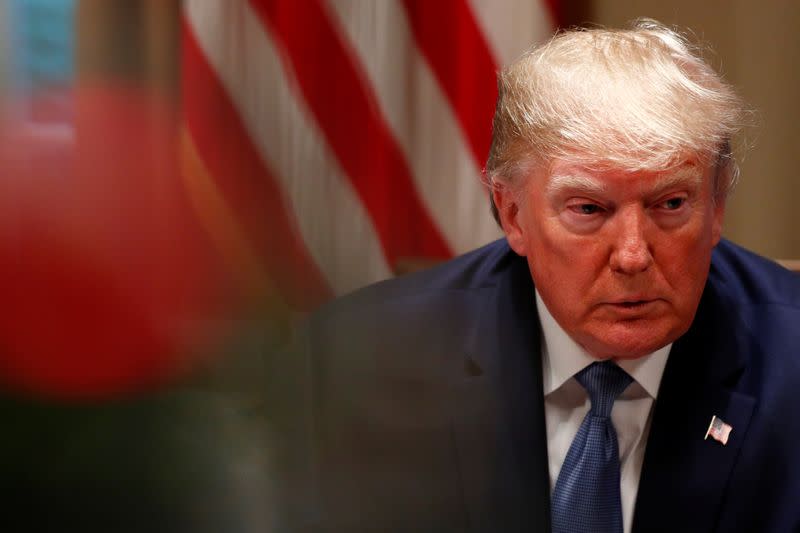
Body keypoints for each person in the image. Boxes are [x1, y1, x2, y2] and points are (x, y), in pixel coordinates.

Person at [266, 19, 800, 533]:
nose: (634, 256)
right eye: (589, 209)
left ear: (717, 206)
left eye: (672, 203)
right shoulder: (353, 365)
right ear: (513, 214)